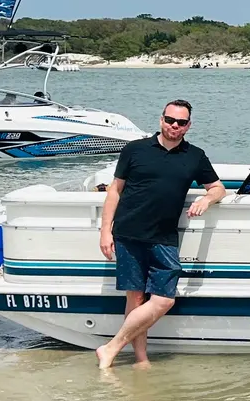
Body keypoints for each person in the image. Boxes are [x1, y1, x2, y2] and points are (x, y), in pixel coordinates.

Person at [95, 99, 226, 369]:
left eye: (181, 122)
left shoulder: (195, 156)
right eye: (170, 120)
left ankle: (110, 347)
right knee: (136, 298)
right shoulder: (135, 149)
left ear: (188, 126)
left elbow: (218, 188)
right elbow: (114, 191)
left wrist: (206, 200)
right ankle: (141, 359)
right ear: (161, 120)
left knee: (164, 300)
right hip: (128, 233)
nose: (174, 126)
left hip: (164, 237)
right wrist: (105, 231)